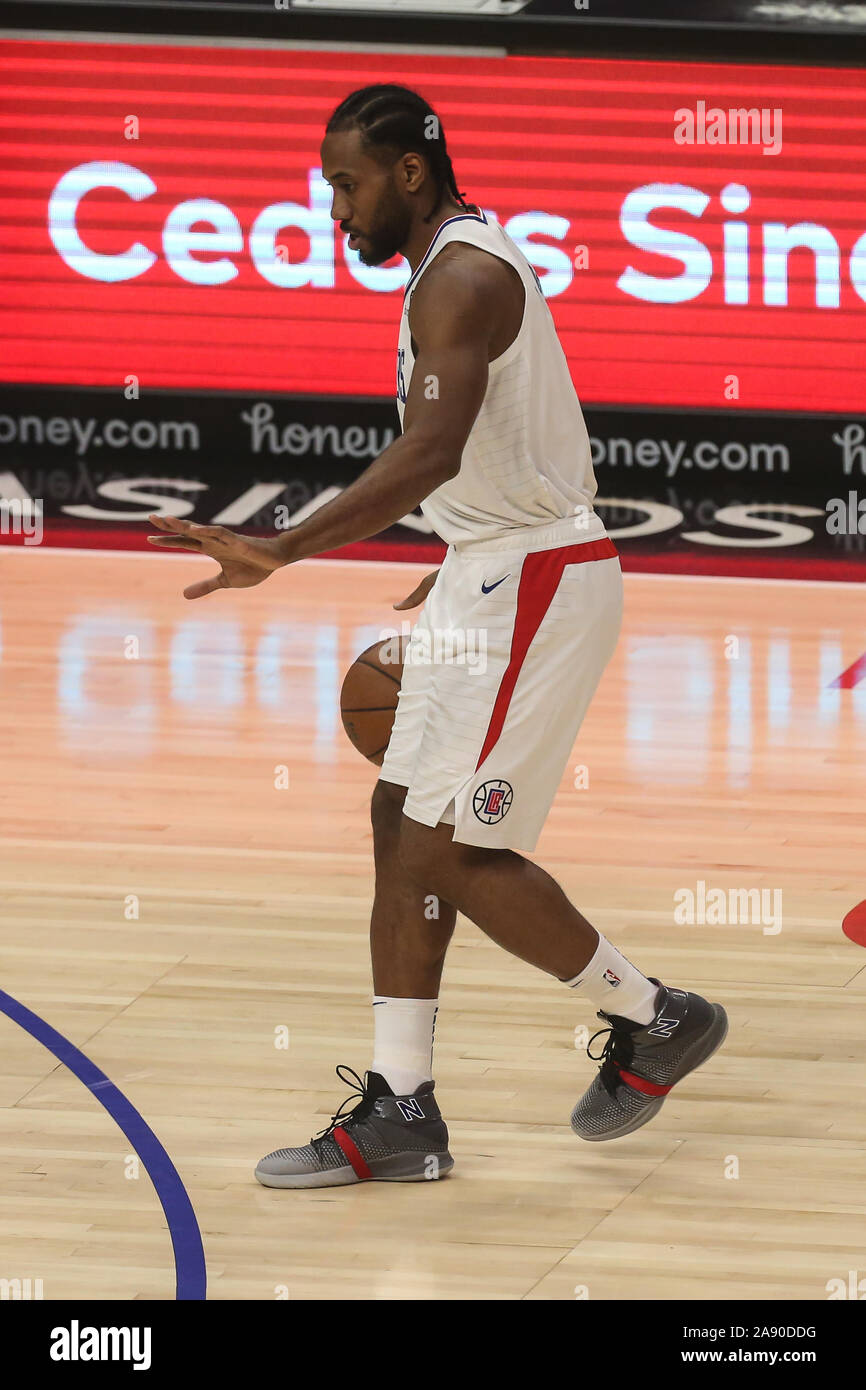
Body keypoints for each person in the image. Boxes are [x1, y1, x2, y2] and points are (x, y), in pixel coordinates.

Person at [149, 84, 727, 1189]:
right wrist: (460, 548)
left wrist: (284, 546)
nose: (333, 209)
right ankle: (400, 1105)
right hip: (494, 566)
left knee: (454, 850)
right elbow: (482, 457)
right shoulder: (450, 267)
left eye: (345, 184)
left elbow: (429, 451)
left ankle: (655, 1017)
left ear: (408, 173)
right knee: (398, 818)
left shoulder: (460, 276)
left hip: (535, 581)